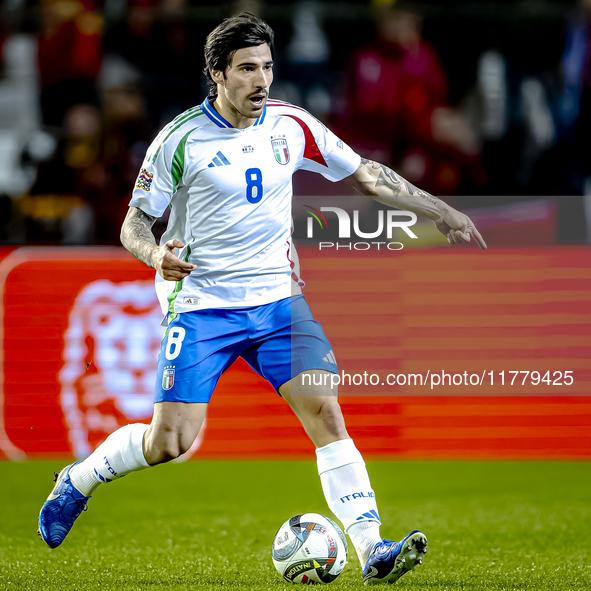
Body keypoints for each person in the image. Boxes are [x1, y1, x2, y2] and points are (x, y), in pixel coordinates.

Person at [38, 13, 486, 585]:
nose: (261, 80)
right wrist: (156, 256)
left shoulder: (291, 125)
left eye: (267, 67)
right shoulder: (179, 141)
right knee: (170, 441)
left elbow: (365, 174)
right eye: (247, 69)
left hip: (277, 300)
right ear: (216, 74)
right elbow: (133, 224)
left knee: (326, 412)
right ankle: (79, 480)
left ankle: (374, 548)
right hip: (200, 303)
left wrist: (441, 210)